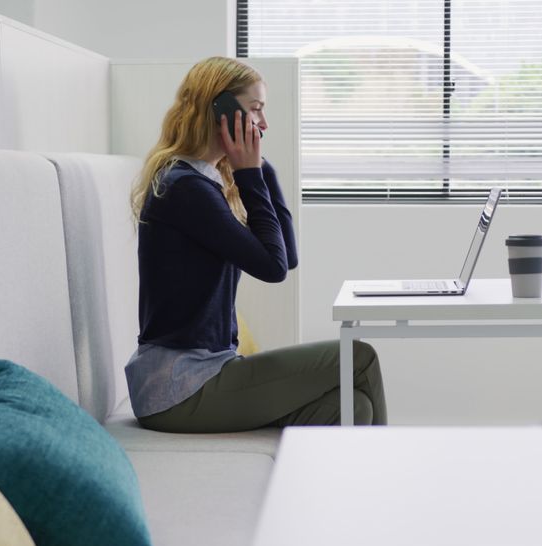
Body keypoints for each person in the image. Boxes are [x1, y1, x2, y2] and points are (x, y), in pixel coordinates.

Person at [126, 56, 386, 433]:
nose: (263, 124)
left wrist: (261, 169)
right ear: (222, 111)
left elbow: (288, 256)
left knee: (352, 407)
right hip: (178, 388)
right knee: (359, 357)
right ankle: (389, 482)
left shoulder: (206, 182)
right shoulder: (184, 188)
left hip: (206, 374)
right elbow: (272, 268)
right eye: (256, 110)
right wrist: (249, 172)